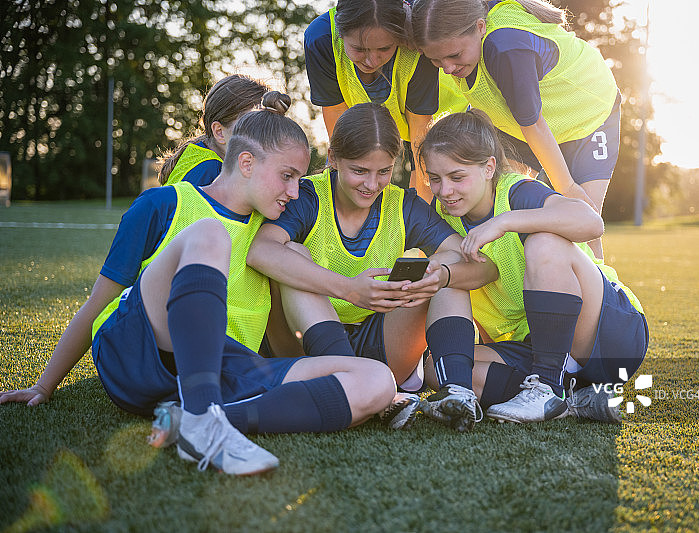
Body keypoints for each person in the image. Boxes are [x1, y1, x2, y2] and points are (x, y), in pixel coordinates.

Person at [0, 92, 396, 475]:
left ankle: (201, 421)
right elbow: (97, 303)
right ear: (245, 162)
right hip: (137, 352)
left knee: (377, 380)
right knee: (209, 234)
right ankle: (204, 418)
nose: (294, 192)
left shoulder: (270, 228)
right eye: (287, 177)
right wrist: (45, 383)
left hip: (226, 368)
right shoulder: (162, 204)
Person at [247, 102, 482, 432]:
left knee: (447, 265)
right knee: (293, 252)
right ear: (333, 158)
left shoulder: (404, 205)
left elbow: (478, 265)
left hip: (381, 343)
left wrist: (441, 275)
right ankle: (361, 387)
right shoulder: (306, 196)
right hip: (305, 345)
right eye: (359, 170)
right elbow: (260, 251)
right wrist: (348, 289)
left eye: (383, 171)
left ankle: (458, 393)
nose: (372, 185)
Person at [417, 109, 648, 423]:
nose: (445, 191)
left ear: (488, 168)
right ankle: (573, 400)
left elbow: (591, 223)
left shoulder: (516, 191)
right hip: (536, 345)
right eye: (435, 179)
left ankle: (548, 388)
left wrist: (505, 222)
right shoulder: (440, 215)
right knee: (439, 367)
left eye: (457, 177)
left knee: (544, 242)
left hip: (608, 333)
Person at [411, 0, 620, 257]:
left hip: (589, 115)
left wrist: (569, 190)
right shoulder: (464, 35)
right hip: (526, 127)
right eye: (435, 60)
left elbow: (534, 125)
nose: (448, 68)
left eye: (454, 56)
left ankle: (606, 289)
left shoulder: (505, 48)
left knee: (580, 218)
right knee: (497, 202)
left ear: (480, 27)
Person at [303, 0, 467, 202]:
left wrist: (422, 216)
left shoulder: (415, 48)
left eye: (384, 48)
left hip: (442, 118)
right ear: (340, 31)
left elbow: (421, 145)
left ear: (400, 37)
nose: (371, 61)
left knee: (434, 190)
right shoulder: (321, 39)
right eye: (359, 49)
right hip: (400, 121)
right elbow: (339, 126)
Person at [157, 74, 268, 187]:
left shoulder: (197, 156)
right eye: (251, 126)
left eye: (267, 127)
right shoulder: (213, 173)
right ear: (219, 132)